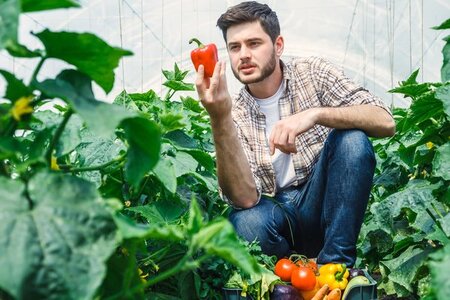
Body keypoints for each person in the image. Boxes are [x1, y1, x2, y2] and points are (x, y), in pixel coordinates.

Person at [194, 1, 395, 267]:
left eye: (254, 43)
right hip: (279, 217)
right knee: (245, 222)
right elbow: (244, 199)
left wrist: (315, 115)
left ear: (278, 45)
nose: (243, 55)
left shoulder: (312, 73)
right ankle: (289, 276)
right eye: (234, 47)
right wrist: (219, 117)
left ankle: (335, 267)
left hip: (321, 202)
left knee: (352, 141)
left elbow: (384, 120)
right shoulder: (234, 113)